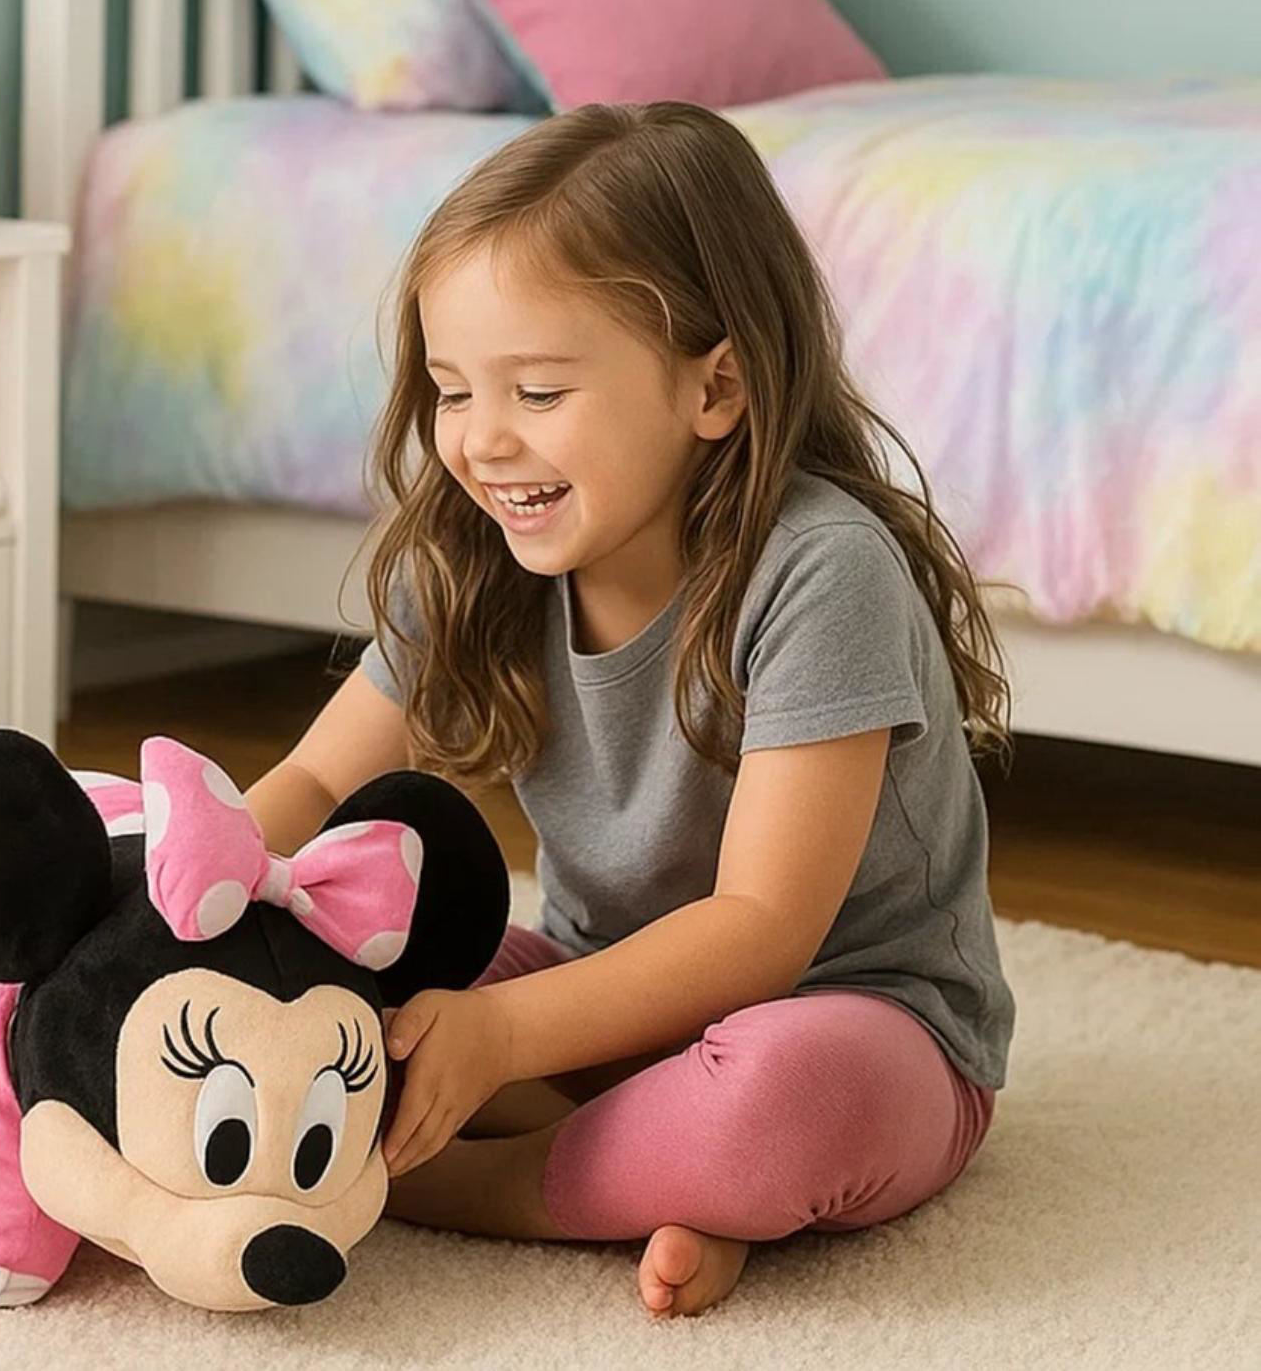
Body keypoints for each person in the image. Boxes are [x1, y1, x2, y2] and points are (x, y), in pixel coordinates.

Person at [245, 101, 1015, 1319]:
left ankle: (465, 1184)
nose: (481, 442)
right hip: (594, 997)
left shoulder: (820, 570)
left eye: (536, 391)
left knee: (774, 1099)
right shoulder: (467, 557)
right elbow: (309, 785)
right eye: (451, 390)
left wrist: (498, 1038)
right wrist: (188, 882)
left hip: (856, 1021)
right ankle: (651, 1174)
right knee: (312, 968)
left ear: (715, 386)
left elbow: (760, 929)